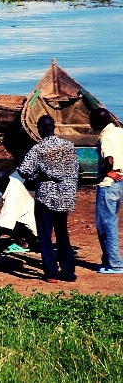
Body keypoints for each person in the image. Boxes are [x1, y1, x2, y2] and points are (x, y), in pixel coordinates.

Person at [16, 115, 79, 283]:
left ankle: (51, 273)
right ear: (54, 127)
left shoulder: (38, 149)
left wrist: (38, 174)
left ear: (40, 129)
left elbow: (23, 170)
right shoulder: (69, 146)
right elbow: (75, 170)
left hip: (46, 197)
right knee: (63, 235)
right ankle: (68, 272)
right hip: (65, 197)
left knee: (45, 236)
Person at [91, 108, 123, 275]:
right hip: (119, 184)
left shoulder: (105, 137)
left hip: (108, 184)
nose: (90, 123)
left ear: (99, 121)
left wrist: (108, 171)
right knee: (109, 222)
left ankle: (115, 264)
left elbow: (108, 159)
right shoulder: (119, 131)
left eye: (92, 120)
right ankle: (109, 260)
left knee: (106, 224)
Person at [0, 167, 38, 253]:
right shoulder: (12, 181)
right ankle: (26, 239)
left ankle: (22, 243)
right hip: (34, 219)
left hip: (32, 229)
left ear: (1, 182)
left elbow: (3, 227)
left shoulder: (11, 197)